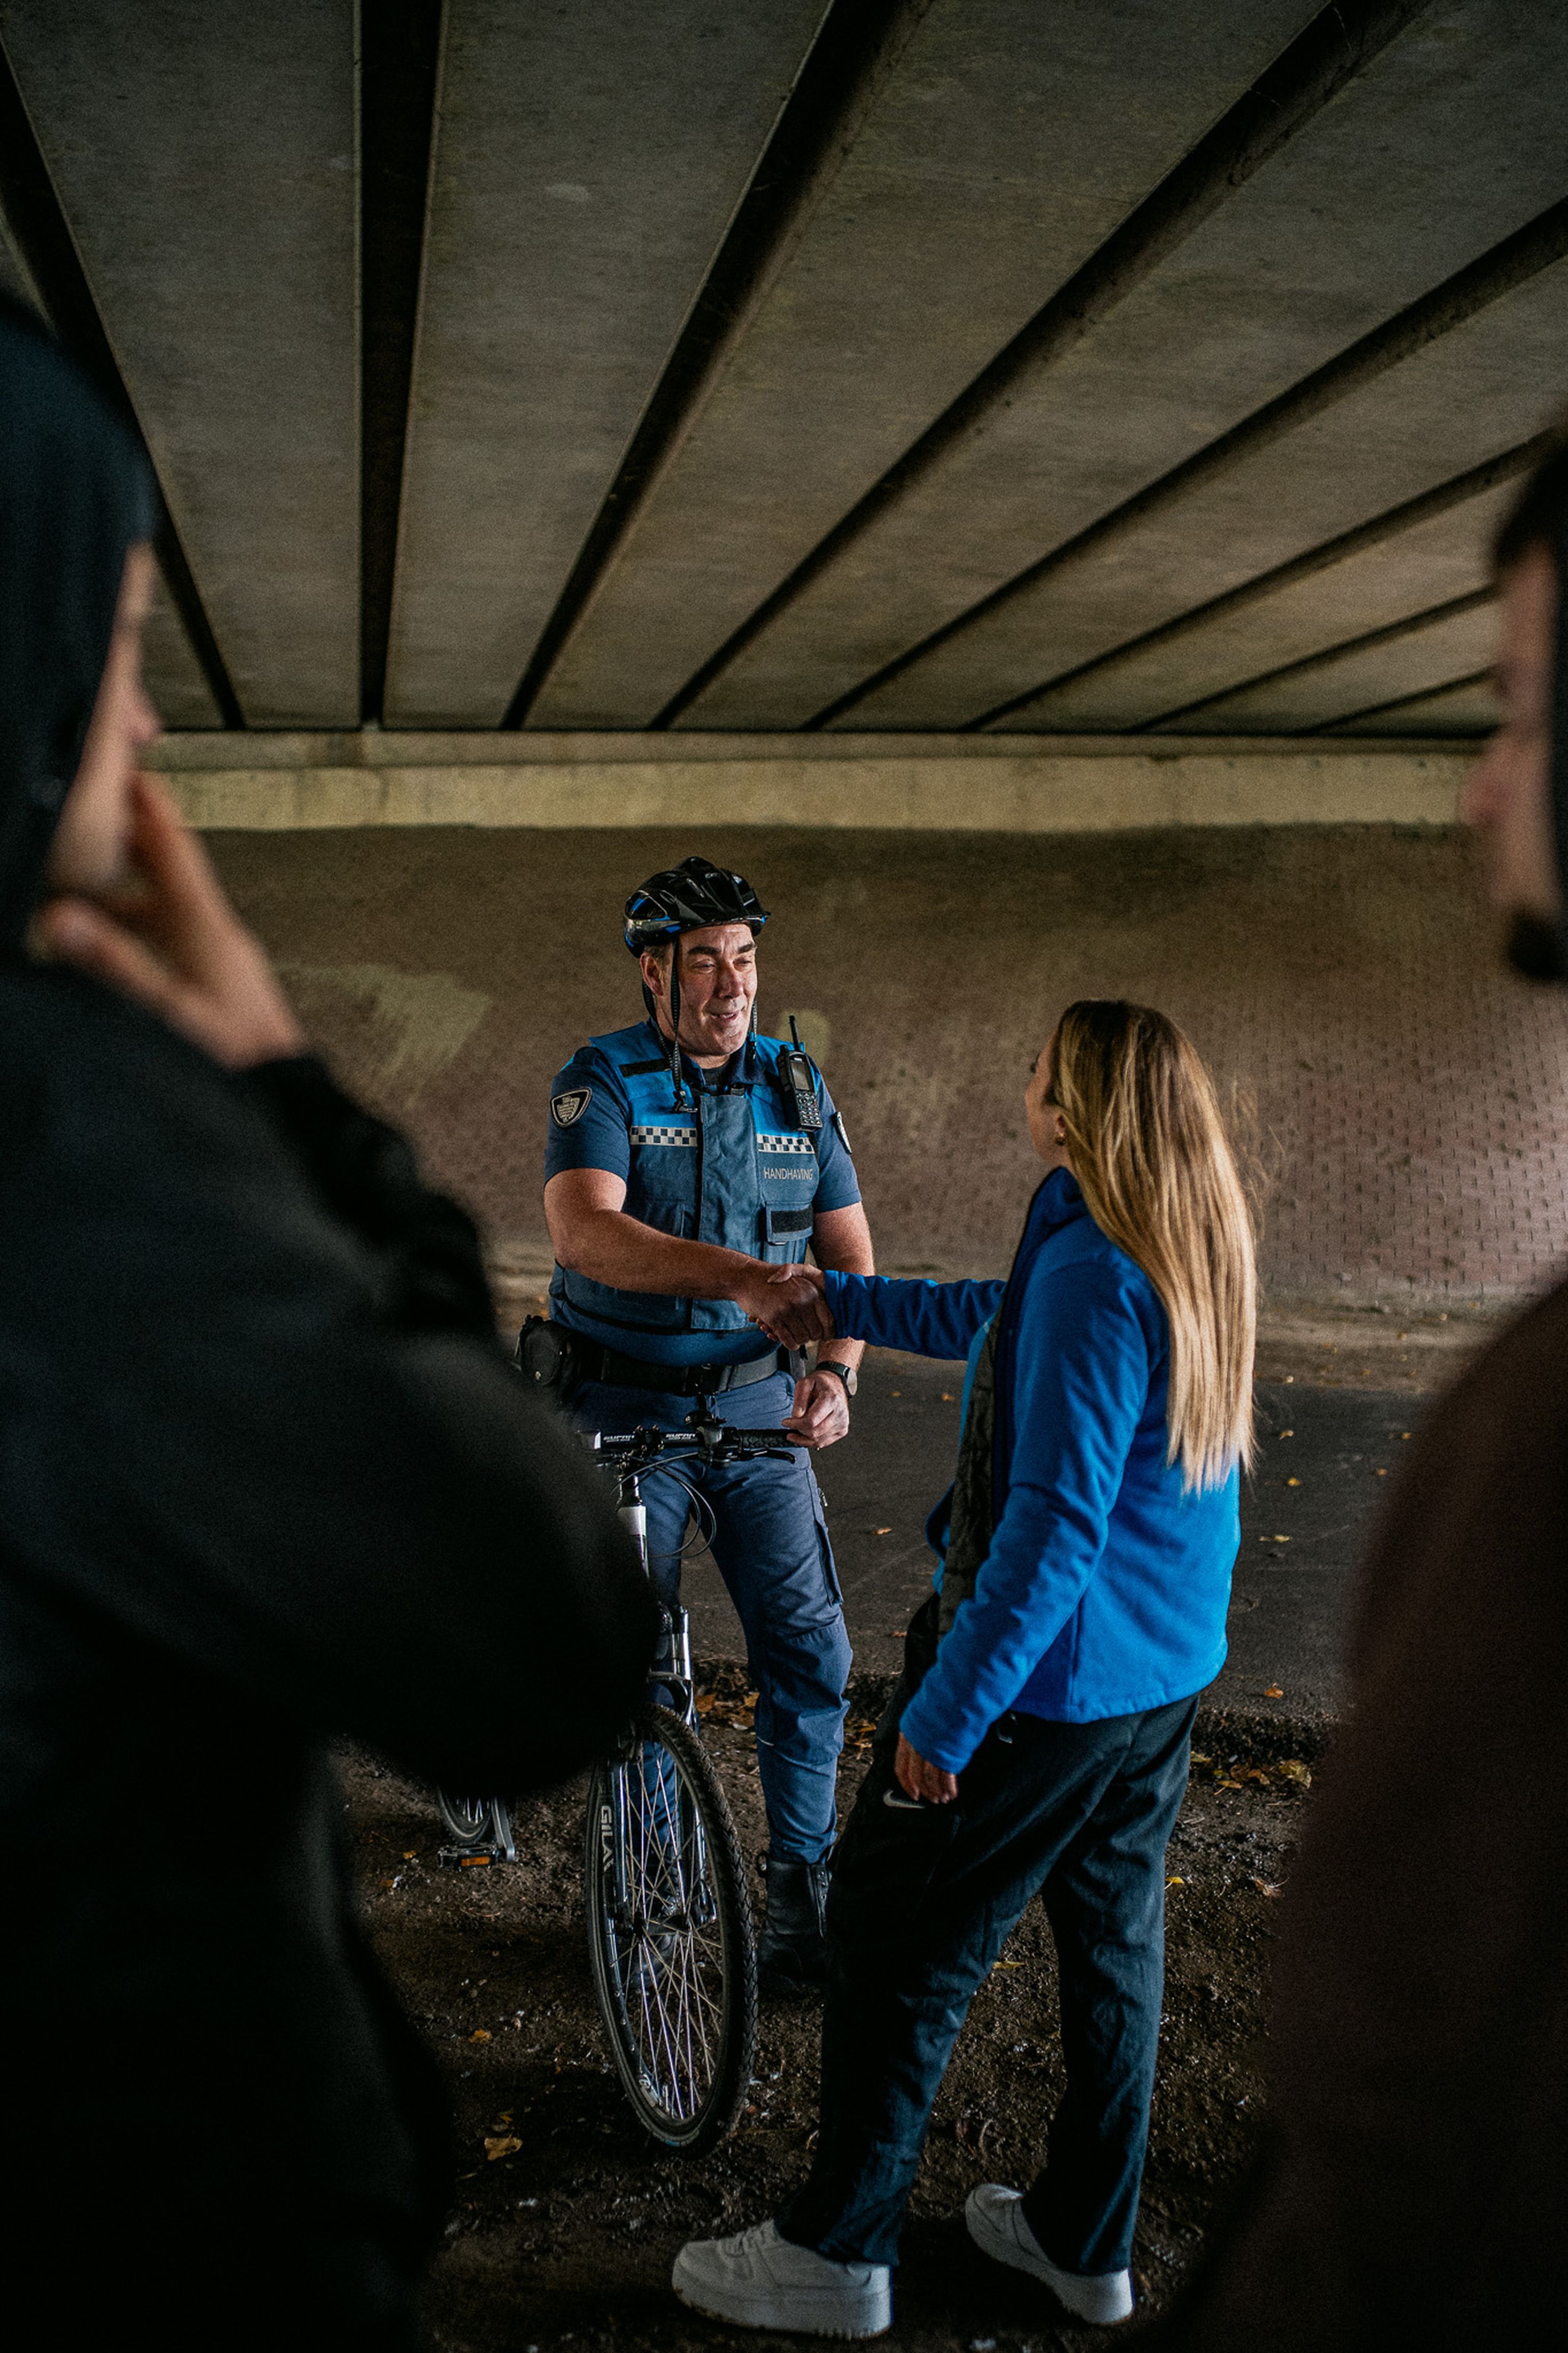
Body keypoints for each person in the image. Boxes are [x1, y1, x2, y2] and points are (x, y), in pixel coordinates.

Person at [0, 294, 658, 2350]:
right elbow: (535, 1644)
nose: (146, 737)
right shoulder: (61, 1140)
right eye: (112, 653)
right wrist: (283, 1093)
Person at [1128, 437, 1568, 2347]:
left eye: (1527, 709)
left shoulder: (1551, 1433)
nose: (1479, 789)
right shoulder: (1180, 1243)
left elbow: (1414, 2108)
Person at [673, 998, 1257, 2337]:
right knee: (1117, 1951)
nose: (1027, 1074)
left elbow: (1052, 1527)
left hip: (1049, 1689)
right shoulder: (1171, 1233)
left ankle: (837, 2252)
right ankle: (1082, 2239)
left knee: (895, 1943)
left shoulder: (1098, 1265)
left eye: (1044, 1062)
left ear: (1084, 1102)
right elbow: (1009, 1324)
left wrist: (945, 1715)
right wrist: (843, 1301)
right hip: (1158, 1680)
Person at [540, 857, 874, 1984]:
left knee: (812, 1654)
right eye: (704, 961)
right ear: (653, 971)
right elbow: (586, 1233)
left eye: (744, 958)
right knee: (637, 1668)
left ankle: (800, 1893)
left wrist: (836, 1370)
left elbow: (848, 1254)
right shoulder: (606, 1082)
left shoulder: (798, 1086)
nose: (732, 983)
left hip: (760, 1414)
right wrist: (740, 1277)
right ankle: (653, 1885)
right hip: (623, 1410)